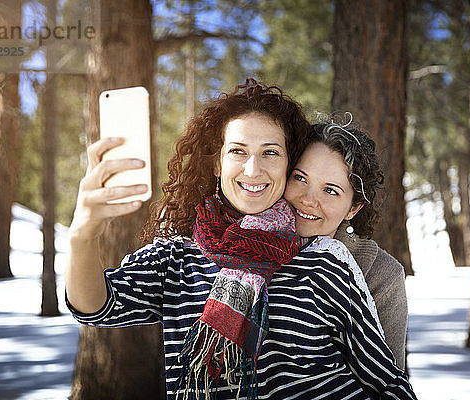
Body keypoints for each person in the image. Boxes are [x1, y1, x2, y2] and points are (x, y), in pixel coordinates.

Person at [66, 79, 416, 399]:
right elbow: (97, 306)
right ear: (217, 163)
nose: (253, 169)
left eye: (270, 152)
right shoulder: (176, 258)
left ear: (285, 163)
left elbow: (387, 382)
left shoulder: (327, 261)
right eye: (237, 151)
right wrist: (82, 235)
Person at [284, 120, 408, 370]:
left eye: (330, 191)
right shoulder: (242, 248)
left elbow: (386, 381)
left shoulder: (380, 275)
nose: (308, 200)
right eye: (300, 178)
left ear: (353, 208)